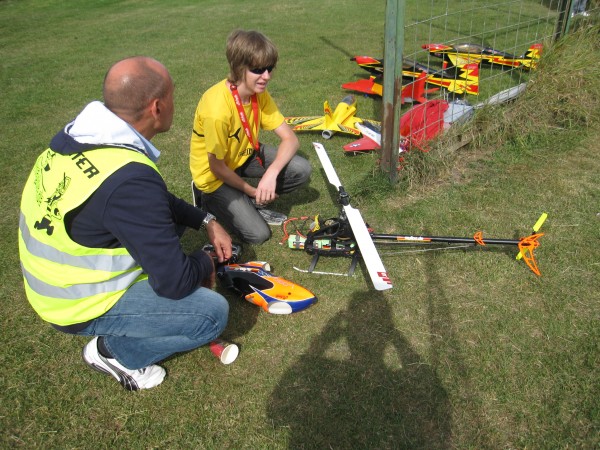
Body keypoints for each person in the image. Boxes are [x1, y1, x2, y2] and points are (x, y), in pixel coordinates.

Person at [18, 56, 234, 391]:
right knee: (210, 314)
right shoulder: (129, 181)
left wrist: (206, 219)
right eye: (174, 97)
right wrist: (206, 259)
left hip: (51, 285)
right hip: (76, 302)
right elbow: (175, 283)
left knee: (164, 228)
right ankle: (113, 353)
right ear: (157, 107)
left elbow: (154, 202)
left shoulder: (80, 137)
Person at [190, 29, 312, 244]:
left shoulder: (259, 94)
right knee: (258, 235)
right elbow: (216, 167)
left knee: (302, 169)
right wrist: (253, 191)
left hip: (244, 155)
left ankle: (250, 200)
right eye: (258, 70)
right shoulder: (217, 110)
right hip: (213, 175)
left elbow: (291, 139)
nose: (267, 76)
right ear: (239, 68)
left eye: (269, 68)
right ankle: (206, 200)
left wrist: (271, 174)